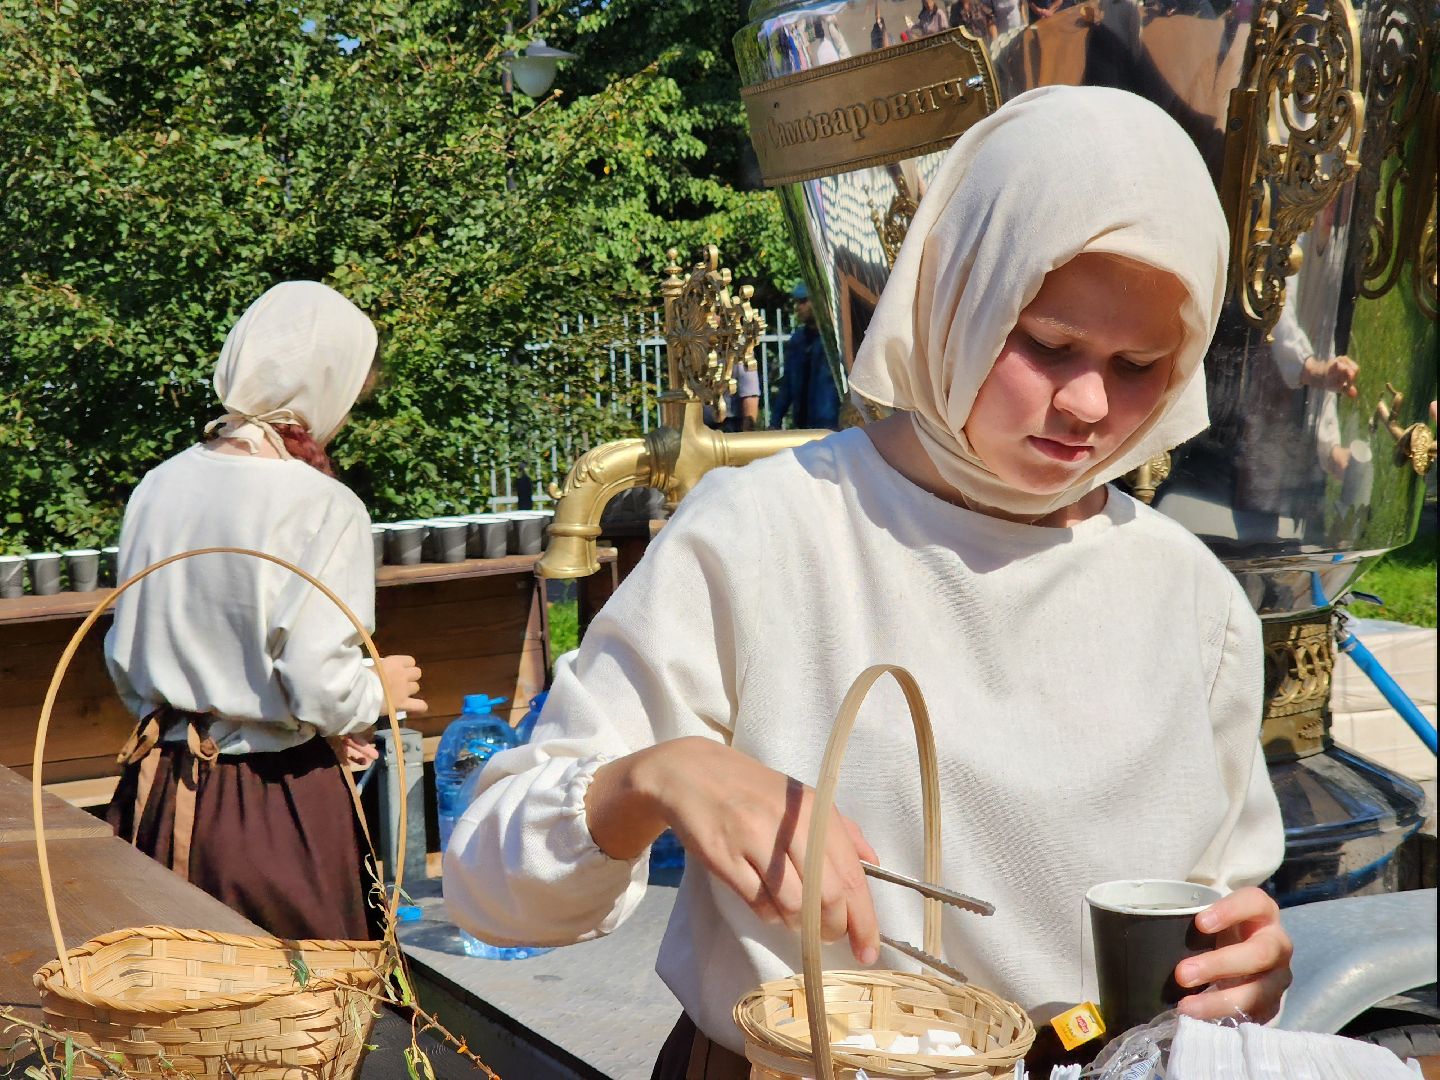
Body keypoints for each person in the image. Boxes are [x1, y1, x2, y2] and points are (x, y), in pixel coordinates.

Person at [443, 87, 1290, 1076]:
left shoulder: (1191, 602)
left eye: (1142, 364)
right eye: (1049, 345)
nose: (1091, 403)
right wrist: (655, 776)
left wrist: (1248, 971)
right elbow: (491, 886)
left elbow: (1226, 923)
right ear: (959, 293)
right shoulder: (772, 532)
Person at [104, 281, 428, 941]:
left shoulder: (157, 487)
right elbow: (318, 682)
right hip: (272, 813)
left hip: (155, 798)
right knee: (298, 1026)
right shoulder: (321, 504)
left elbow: (126, 659)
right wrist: (375, 691)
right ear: (324, 382)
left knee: (164, 1023)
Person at [770, 282, 841, 431]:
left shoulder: (835, 339)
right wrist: (775, 421)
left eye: (803, 302)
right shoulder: (798, 339)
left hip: (832, 426)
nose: (798, 308)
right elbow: (788, 384)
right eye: (797, 302)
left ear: (818, 302)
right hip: (804, 426)